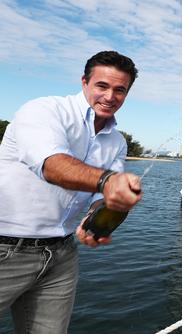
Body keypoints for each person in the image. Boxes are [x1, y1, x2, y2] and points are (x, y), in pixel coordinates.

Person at [0, 50, 143, 333]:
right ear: (84, 82)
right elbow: (52, 164)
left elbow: (99, 200)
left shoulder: (117, 142)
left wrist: (111, 207)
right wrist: (107, 182)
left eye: (120, 90)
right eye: (102, 86)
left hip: (62, 254)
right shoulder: (43, 110)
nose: (110, 96)